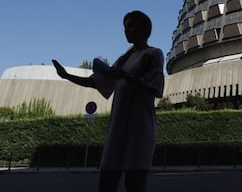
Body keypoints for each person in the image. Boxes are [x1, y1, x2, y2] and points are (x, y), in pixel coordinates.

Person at [52, 10, 164, 192]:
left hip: (140, 128)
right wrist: (66, 76)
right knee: (107, 180)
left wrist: (125, 76)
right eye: (125, 28)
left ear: (145, 29)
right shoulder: (123, 59)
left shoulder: (153, 54)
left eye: (132, 26)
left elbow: (155, 88)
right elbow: (96, 82)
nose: (127, 31)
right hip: (117, 128)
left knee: (135, 182)